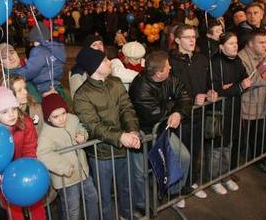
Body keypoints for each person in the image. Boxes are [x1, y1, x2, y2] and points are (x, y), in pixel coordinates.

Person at [73, 48, 140, 219]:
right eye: (104, 60)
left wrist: (132, 130)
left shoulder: (115, 83)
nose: (110, 62)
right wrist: (120, 137)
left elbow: (127, 108)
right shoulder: (82, 95)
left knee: (126, 187)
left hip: (122, 148)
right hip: (101, 154)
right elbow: (93, 126)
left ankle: (127, 215)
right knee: (103, 196)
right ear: (94, 66)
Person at [129, 51, 192, 209]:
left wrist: (178, 112)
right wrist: (172, 104)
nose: (170, 67)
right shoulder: (140, 87)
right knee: (141, 173)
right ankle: (141, 206)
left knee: (183, 157)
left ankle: (173, 192)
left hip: (163, 130)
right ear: (158, 73)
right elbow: (154, 114)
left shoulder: (168, 77)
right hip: (143, 135)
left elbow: (184, 94)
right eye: (167, 66)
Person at [169, 24, 217, 199]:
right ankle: (175, 192)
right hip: (180, 117)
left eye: (194, 37)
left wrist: (210, 92)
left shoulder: (202, 59)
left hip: (199, 114)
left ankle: (190, 182)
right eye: (187, 37)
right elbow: (170, 93)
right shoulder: (170, 62)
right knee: (179, 155)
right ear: (177, 40)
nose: (192, 40)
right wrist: (191, 100)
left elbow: (207, 83)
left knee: (196, 150)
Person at [0, 86, 45, 220]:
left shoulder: (26, 123)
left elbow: (30, 148)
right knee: (14, 211)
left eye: (14, 109)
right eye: (5, 112)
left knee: (36, 204)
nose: (12, 114)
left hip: (25, 171)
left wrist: (27, 171)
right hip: (4, 177)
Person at [37, 93, 98, 220]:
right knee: (72, 209)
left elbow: (81, 127)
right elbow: (43, 154)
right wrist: (64, 167)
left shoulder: (72, 119)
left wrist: (83, 134)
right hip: (65, 179)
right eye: (56, 116)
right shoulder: (46, 135)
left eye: (63, 113)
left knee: (93, 197)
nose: (62, 119)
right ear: (48, 118)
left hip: (83, 172)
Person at [209, 32, 251, 195]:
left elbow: (245, 78)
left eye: (236, 43)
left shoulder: (237, 61)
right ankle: (214, 179)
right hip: (219, 112)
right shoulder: (215, 63)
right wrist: (237, 87)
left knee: (229, 145)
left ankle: (225, 176)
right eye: (231, 43)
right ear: (221, 46)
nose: (235, 46)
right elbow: (217, 89)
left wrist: (232, 87)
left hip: (234, 108)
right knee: (217, 147)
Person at [3, 22, 68, 102]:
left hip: (44, 85)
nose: (32, 44)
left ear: (37, 40)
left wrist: (16, 74)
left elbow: (32, 69)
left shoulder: (38, 51)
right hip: (55, 82)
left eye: (33, 42)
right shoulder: (56, 48)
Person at [237, 32, 266, 174]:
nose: (265, 45)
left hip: (262, 102)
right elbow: (248, 81)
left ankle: (259, 159)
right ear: (251, 44)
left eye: (265, 42)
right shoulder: (241, 57)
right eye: (261, 42)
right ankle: (236, 164)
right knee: (243, 135)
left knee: (259, 133)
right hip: (247, 103)